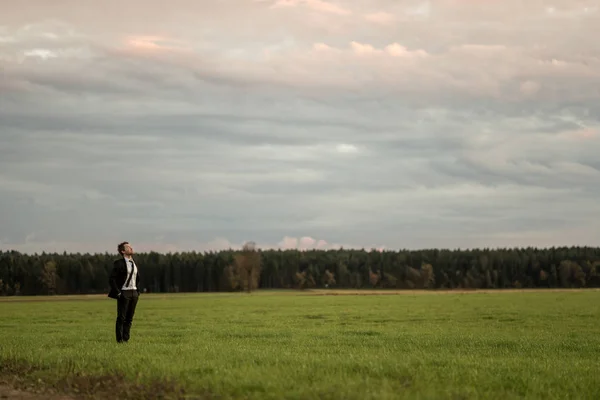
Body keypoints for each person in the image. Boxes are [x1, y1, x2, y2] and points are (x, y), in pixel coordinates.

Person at [108, 241, 140, 343]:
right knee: (121, 318)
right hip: (124, 293)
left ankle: (126, 339)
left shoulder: (134, 262)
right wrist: (118, 292)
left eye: (131, 246)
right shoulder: (119, 263)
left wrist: (137, 291)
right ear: (123, 251)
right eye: (128, 247)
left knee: (129, 318)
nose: (131, 248)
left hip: (134, 293)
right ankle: (119, 340)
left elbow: (137, 278)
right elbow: (112, 279)